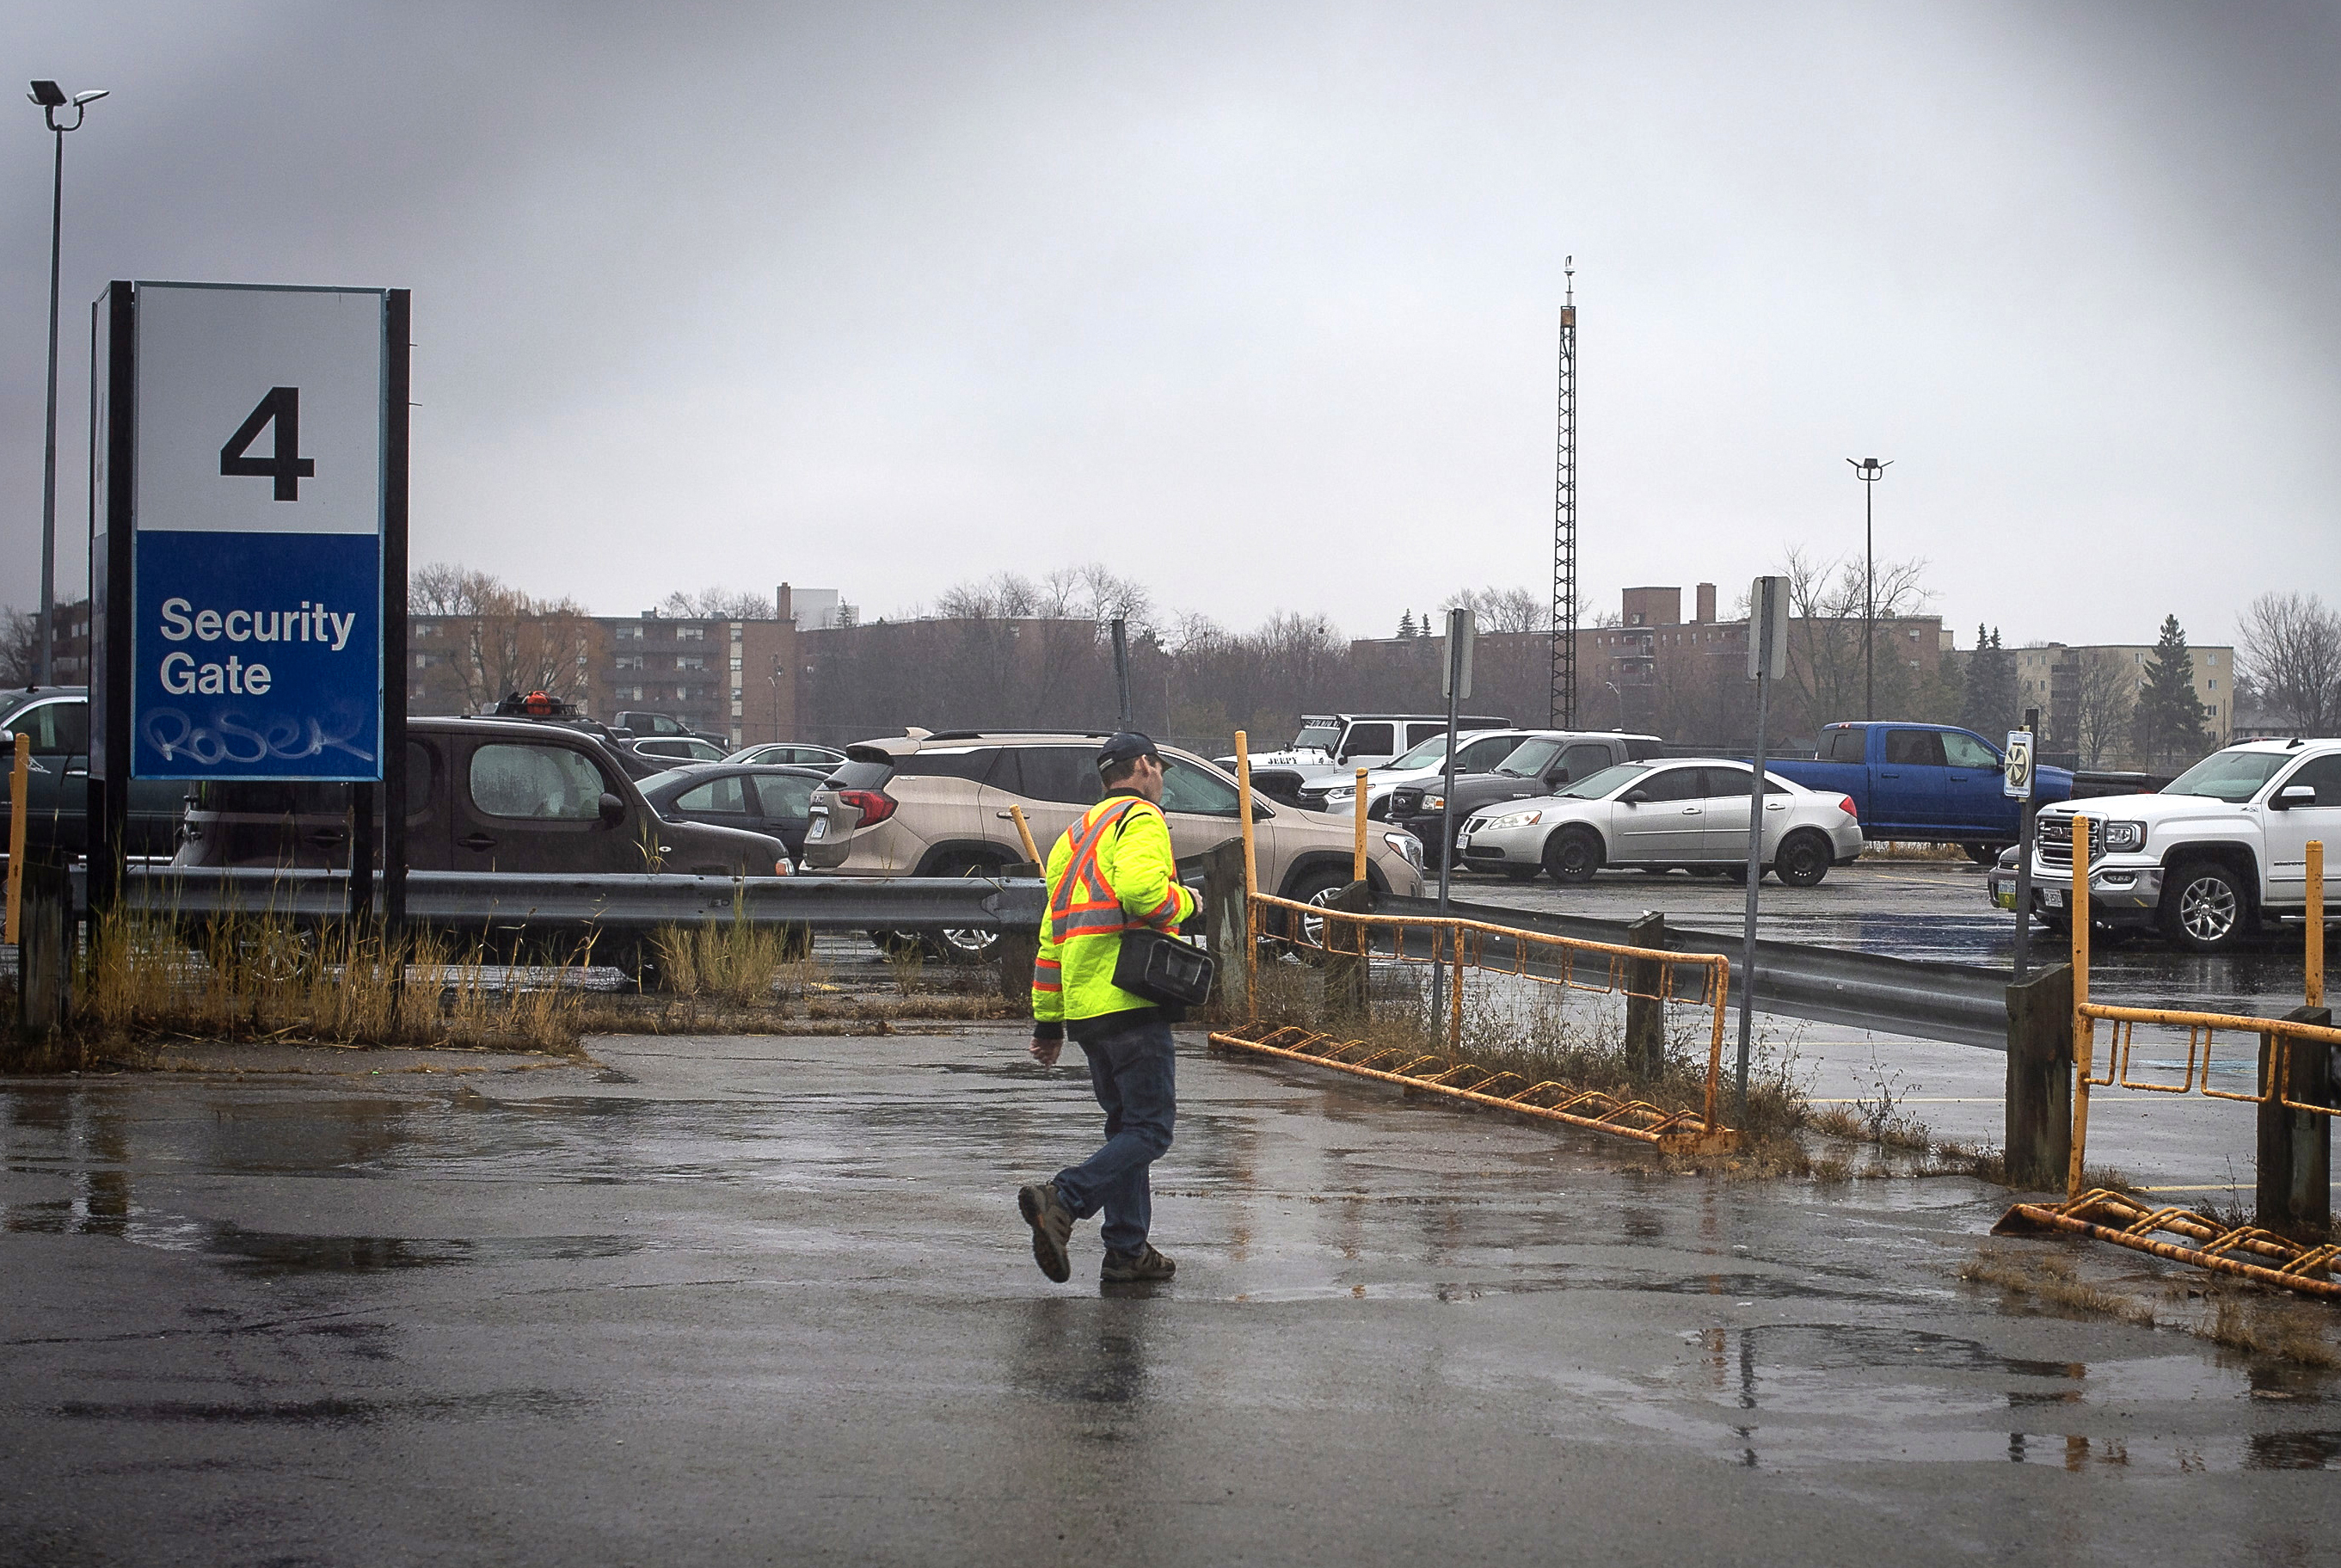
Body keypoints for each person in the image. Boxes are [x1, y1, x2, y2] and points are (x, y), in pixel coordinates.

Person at [1017, 731, 1197, 1285]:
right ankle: (1064, 1198)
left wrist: (1049, 1023)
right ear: (1143, 766)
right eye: (1160, 768)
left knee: (1126, 1128)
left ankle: (1126, 1249)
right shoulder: (1138, 820)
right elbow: (1145, 892)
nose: (1161, 779)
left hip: (1087, 1011)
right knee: (1151, 1129)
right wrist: (1189, 902)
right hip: (1132, 998)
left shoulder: (1073, 837)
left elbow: (1052, 938)